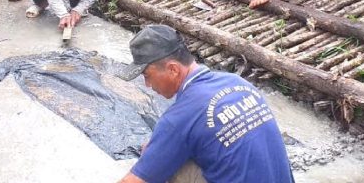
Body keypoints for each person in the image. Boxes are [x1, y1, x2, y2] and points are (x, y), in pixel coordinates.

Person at [117, 24, 294, 183]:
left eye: (147, 76)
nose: (147, 85)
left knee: (166, 166)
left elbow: (134, 181)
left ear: (173, 69)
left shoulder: (180, 116)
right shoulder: (237, 83)